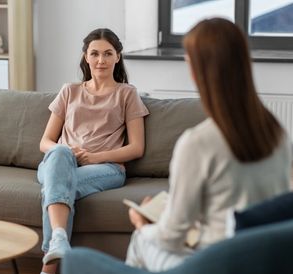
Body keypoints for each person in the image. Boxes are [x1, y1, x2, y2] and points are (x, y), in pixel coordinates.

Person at [123, 17, 292, 272]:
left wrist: (143, 224)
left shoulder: (198, 143)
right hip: (265, 261)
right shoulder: (275, 130)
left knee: (141, 241)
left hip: (215, 264)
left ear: (197, 70)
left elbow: (170, 237)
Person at [37, 28, 149, 274]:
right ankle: (58, 241)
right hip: (61, 162)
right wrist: (66, 152)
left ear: (117, 57)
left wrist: (93, 157)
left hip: (105, 168)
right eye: (95, 54)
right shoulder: (69, 91)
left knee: (54, 188)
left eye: (108, 54)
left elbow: (136, 148)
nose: (101, 60)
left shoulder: (127, 94)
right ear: (85, 57)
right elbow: (45, 142)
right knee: (59, 156)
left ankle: (49, 265)